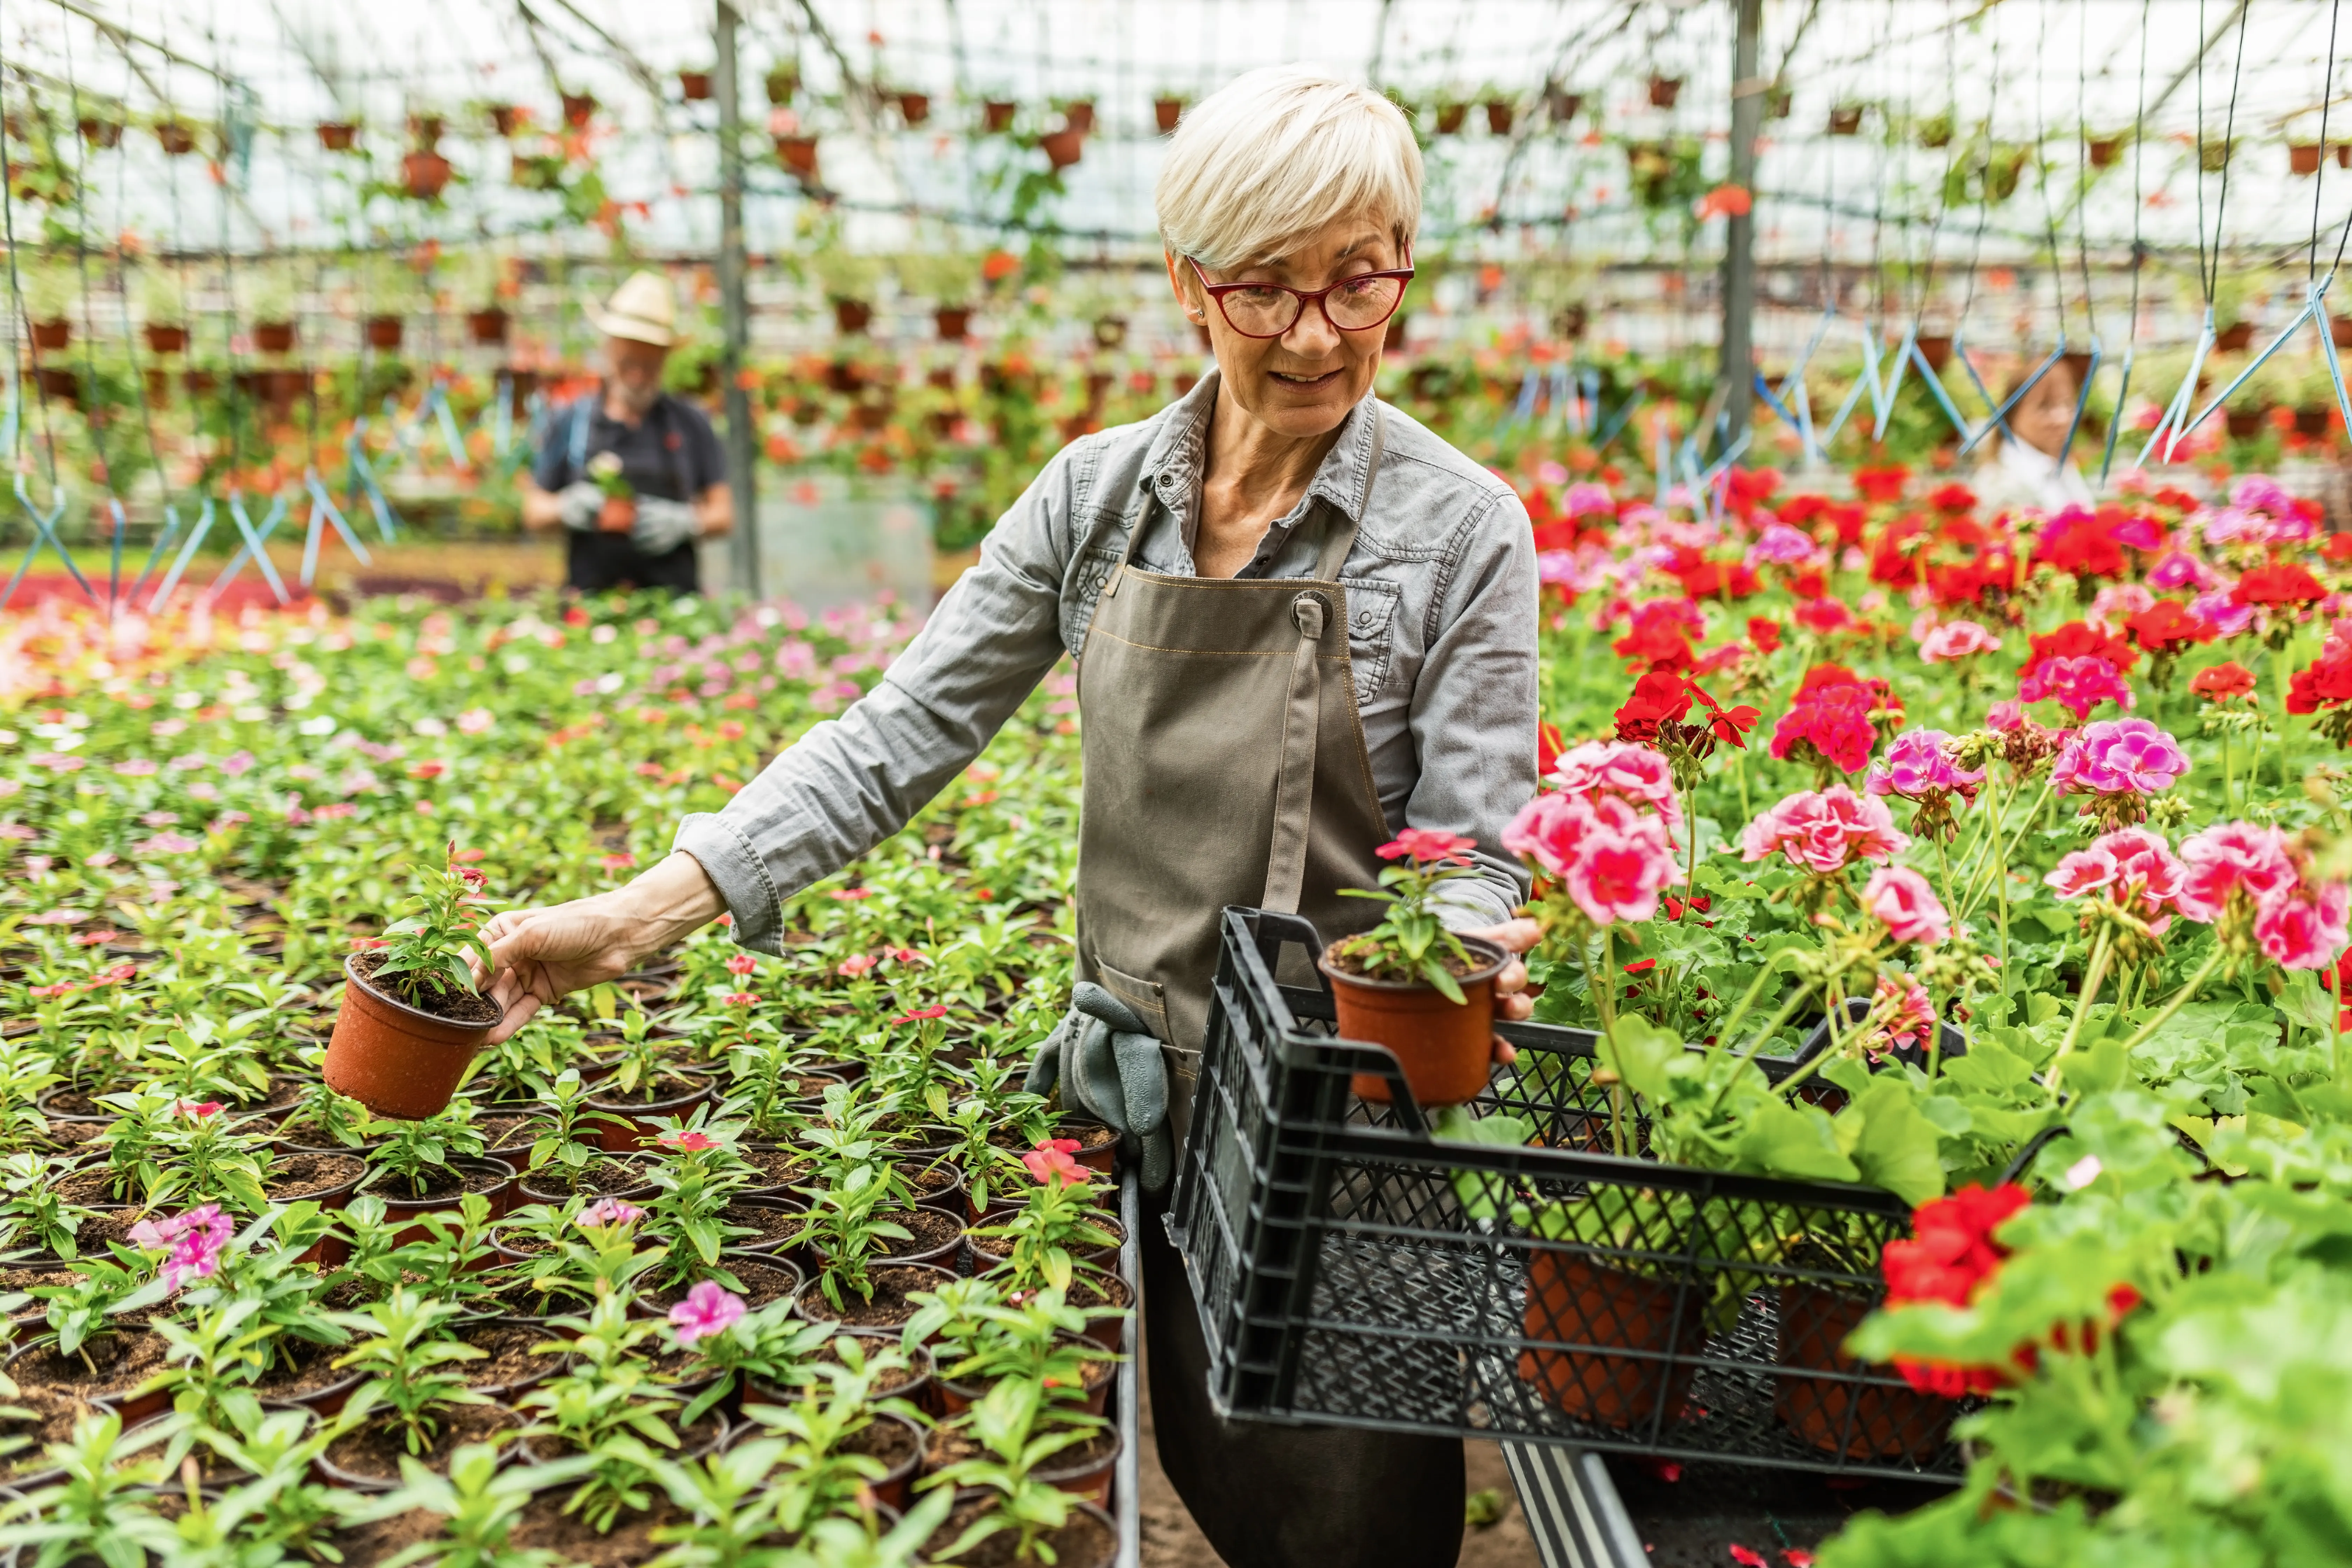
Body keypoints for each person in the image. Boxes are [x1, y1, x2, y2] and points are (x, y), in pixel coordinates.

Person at [475, 66, 1539, 1568]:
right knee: (1213, 1464)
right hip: (1145, 1091)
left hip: (1340, 1121)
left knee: (1352, 1512)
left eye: (1359, 279)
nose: (1317, 333)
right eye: (1265, 287)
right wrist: (641, 912)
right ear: (1186, 285)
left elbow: (1476, 834)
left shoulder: (1459, 525)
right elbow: (901, 727)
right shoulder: (1093, 502)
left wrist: (1476, 941)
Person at [520, 270, 733, 593]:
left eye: (651, 359)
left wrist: (687, 522)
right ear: (610, 348)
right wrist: (567, 508)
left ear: (665, 356)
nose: (639, 371)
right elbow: (534, 511)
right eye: (630, 356)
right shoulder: (571, 421)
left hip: (674, 605)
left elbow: (723, 513)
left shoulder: (692, 423)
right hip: (589, 606)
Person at [1970, 356, 2096, 514]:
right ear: (2012, 414)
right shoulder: (2000, 482)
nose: (2062, 419)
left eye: (2068, 404)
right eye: (2045, 407)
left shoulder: (2060, 466)